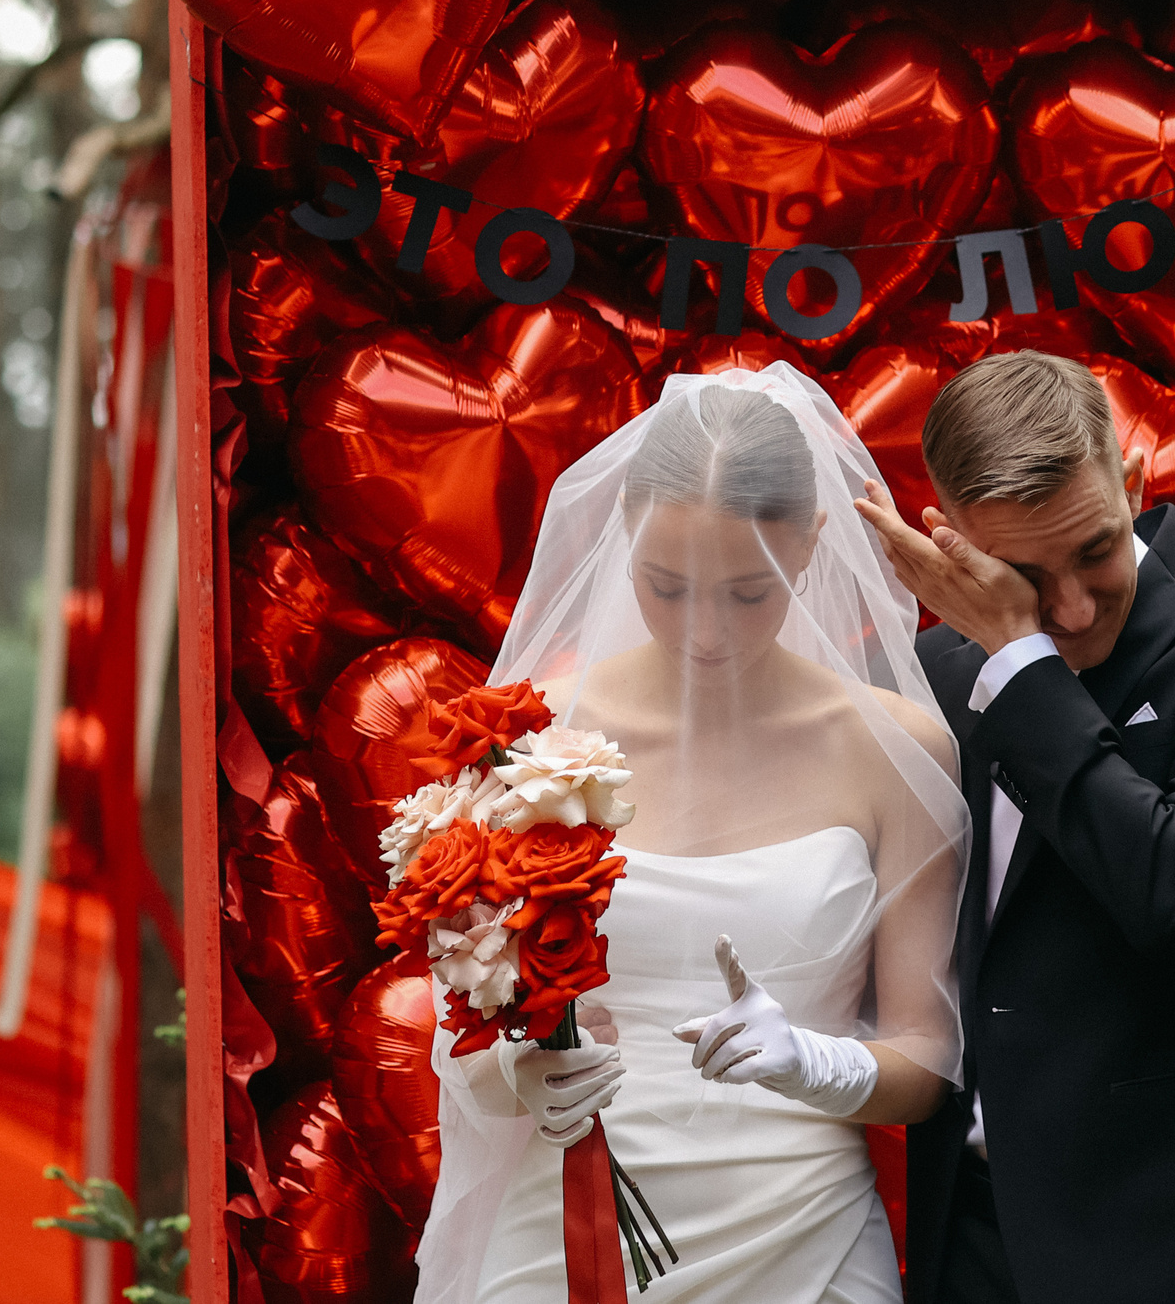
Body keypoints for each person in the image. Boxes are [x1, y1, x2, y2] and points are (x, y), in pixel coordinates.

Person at [414, 367, 969, 1304]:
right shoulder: (527, 737)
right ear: (625, 529)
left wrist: (816, 1063)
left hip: (803, 1234)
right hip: (571, 1227)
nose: (705, 633)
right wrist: (520, 1068)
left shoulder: (897, 749)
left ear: (811, 546)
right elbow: (460, 1014)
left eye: (749, 594)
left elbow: (927, 1053)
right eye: (667, 586)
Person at [853, 350, 1175, 1304]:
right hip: (974, 1239)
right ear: (953, 538)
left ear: (1130, 478)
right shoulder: (932, 674)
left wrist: (1022, 657)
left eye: (1096, 548)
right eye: (1028, 577)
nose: (1074, 609)